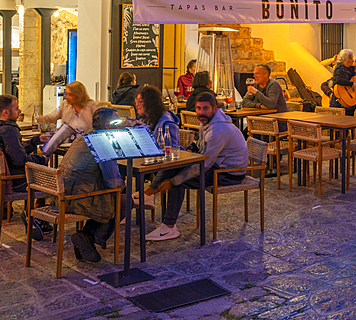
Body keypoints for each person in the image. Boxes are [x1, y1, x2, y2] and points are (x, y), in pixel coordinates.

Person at [145, 92, 249, 242]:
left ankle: (168, 227)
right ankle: (151, 192)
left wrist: (174, 181)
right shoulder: (208, 122)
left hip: (229, 173)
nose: (201, 112)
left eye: (205, 108)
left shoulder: (218, 130)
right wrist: (191, 151)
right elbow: (202, 148)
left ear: (214, 108)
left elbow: (205, 164)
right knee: (174, 167)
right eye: (198, 108)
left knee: (176, 180)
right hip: (216, 165)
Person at [0, 94, 49, 235]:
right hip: (13, 181)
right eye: (17, 108)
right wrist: (42, 160)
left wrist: (34, 141)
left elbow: (13, 153)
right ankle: (36, 219)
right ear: (6, 112)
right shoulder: (9, 130)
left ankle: (36, 218)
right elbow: (20, 161)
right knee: (49, 181)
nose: (19, 111)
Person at [62, 108, 131, 263]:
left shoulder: (84, 137)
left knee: (115, 197)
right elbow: (113, 183)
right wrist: (124, 187)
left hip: (64, 193)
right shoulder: (104, 142)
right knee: (124, 201)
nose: (120, 125)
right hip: (79, 198)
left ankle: (86, 238)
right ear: (107, 126)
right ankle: (90, 238)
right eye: (117, 122)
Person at [135, 85, 180, 149]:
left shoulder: (167, 124)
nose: (137, 105)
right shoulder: (145, 120)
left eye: (140, 102)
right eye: (136, 102)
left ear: (150, 103)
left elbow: (173, 149)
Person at [330, 49, 356, 115]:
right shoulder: (339, 69)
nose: (352, 60)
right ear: (344, 60)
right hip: (339, 104)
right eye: (350, 58)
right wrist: (351, 84)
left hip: (349, 103)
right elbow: (337, 80)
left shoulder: (350, 69)